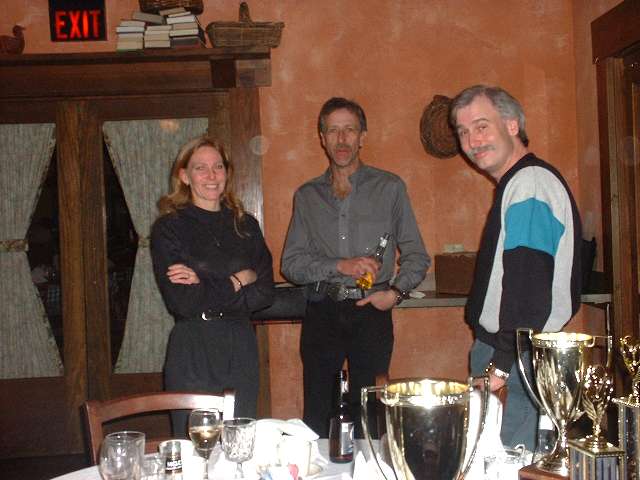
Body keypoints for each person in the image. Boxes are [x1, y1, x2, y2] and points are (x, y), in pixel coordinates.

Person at [281, 97, 430, 437]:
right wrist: (340, 265)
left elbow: (417, 255)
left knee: (371, 414)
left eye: (349, 130)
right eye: (333, 130)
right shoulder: (306, 196)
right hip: (322, 310)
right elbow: (291, 264)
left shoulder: (390, 188)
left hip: (372, 310)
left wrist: (395, 293)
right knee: (318, 414)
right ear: (322, 138)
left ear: (363, 136)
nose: (342, 139)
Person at [450, 85, 582, 450]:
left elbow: (527, 287)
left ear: (512, 125)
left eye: (481, 126)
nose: (472, 141)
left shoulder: (530, 184)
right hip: (516, 355)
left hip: (519, 361)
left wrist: (501, 364)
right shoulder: (521, 183)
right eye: (463, 132)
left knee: (509, 464)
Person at [151, 135, 275, 436]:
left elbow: (264, 293)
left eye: (218, 167)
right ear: (184, 176)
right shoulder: (169, 228)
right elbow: (183, 302)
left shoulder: (246, 225)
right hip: (193, 346)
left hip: (240, 345)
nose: (211, 175)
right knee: (194, 445)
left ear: (227, 173)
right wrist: (237, 280)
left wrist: (203, 284)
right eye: (200, 168)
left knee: (239, 442)